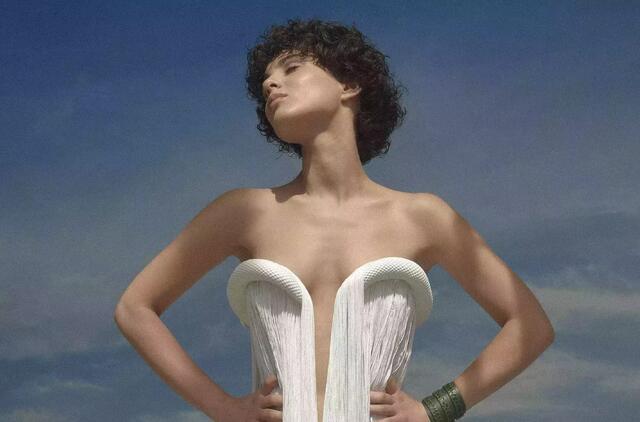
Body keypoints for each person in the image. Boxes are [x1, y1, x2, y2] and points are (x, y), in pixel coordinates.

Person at [114, 18, 555, 422]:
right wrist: (223, 408)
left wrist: (435, 410)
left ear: (349, 84)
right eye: (266, 82)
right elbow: (135, 309)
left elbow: (530, 325)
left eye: (291, 68)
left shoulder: (423, 217)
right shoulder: (245, 212)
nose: (271, 83)